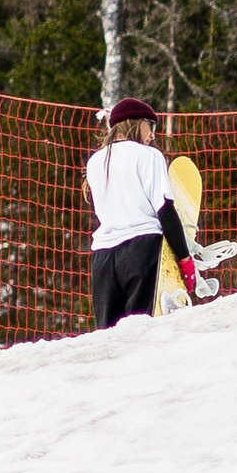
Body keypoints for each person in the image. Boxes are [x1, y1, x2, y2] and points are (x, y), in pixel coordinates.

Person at [84, 97, 202, 328]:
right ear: (136, 123)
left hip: (103, 258)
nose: (153, 134)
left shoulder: (95, 161)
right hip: (142, 250)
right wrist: (184, 259)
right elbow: (165, 210)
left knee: (107, 339)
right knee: (139, 334)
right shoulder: (149, 156)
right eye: (151, 125)